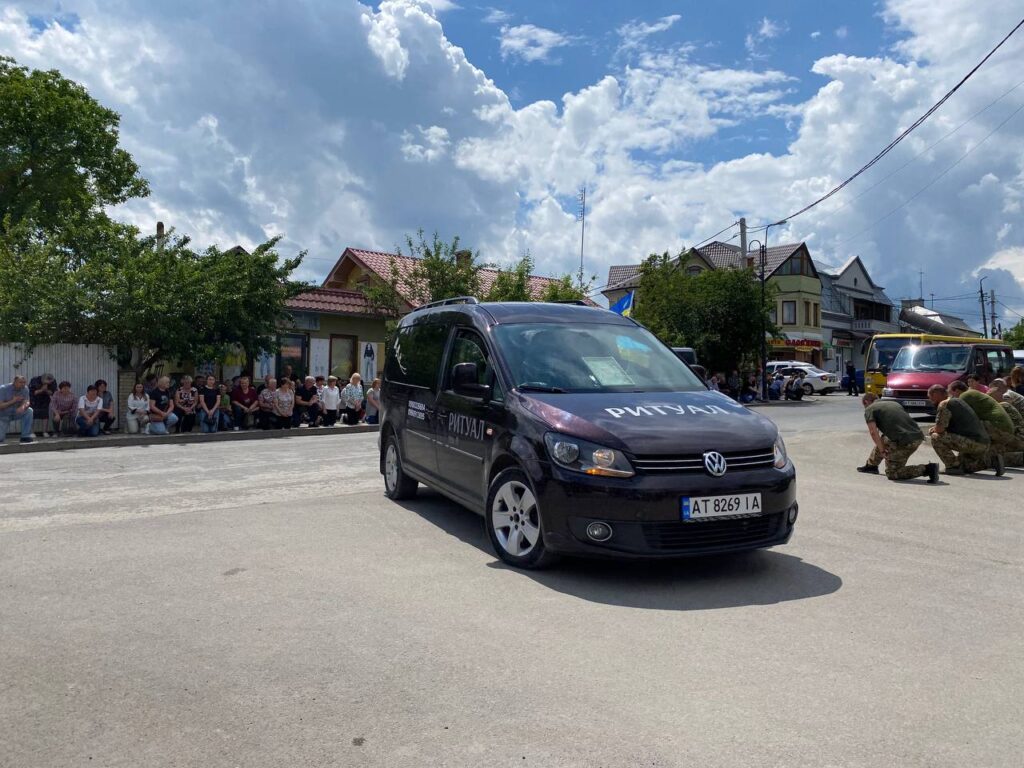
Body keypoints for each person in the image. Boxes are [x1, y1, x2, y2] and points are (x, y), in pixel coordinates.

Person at [857, 393, 938, 482]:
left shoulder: (870, 409)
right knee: (884, 439)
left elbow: (873, 433)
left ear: (866, 402)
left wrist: (882, 450)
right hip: (917, 436)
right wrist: (882, 447)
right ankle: (871, 466)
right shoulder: (894, 403)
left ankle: (927, 469)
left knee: (893, 473)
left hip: (906, 442)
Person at [947, 380, 1013, 475]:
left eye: (950, 393)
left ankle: (962, 464)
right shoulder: (972, 393)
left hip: (996, 426)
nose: (950, 396)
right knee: (985, 453)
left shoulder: (964, 396)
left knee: (969, 435)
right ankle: (993, 461)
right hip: (1005, 429)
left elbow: (963, 420)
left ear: (956, 390)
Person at [926, 384, 990, 475]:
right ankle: (991, 462)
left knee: (935, 437)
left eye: (931, 397)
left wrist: (932, 430)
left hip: (972, 443)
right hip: (983, 443)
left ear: (936, 394)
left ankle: (953, 466)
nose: (931, 401)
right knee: (965, 466)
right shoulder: (958, 401)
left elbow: (939, 429)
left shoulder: (944, 404)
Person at [0, 374, 36, 444]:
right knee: (0, 438)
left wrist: (23, 407)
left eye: (24, 382)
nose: (23, 384)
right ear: (14, 382)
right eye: (20, 382)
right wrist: (13, 401)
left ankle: (25, 436)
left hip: (16, 412)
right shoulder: (3, 389)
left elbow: (27, 401)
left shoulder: (25, 389)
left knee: (29, 411)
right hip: (3, 415)